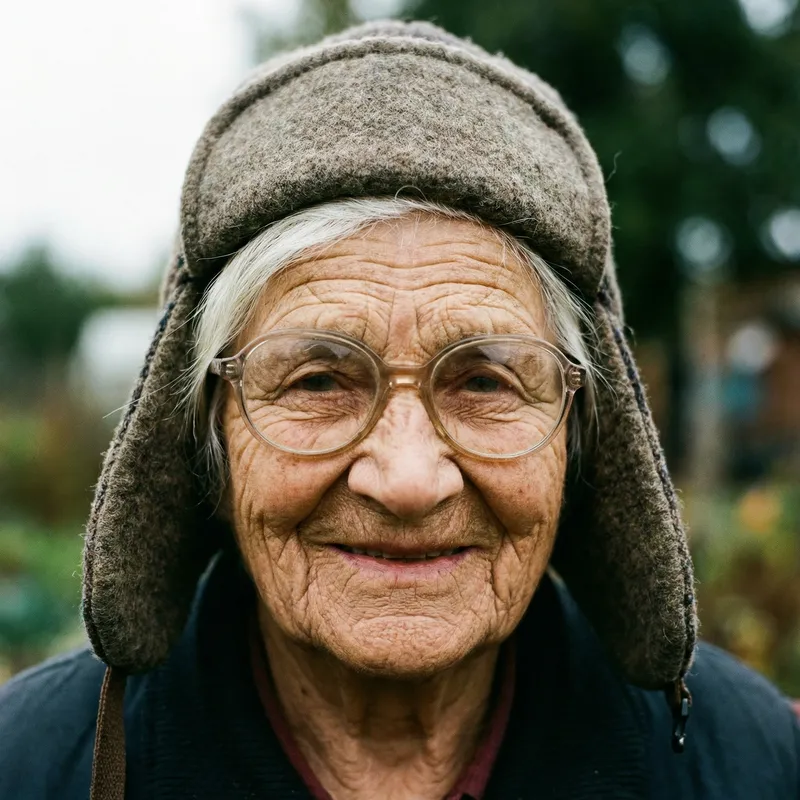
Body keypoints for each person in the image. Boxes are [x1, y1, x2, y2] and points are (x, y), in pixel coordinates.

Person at [1, 20, 798, 800]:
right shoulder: (29, 768)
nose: (409, 479)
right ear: (211, 425)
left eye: (485, 383)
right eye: (318, 382)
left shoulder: (752, 766)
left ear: (582, 430)